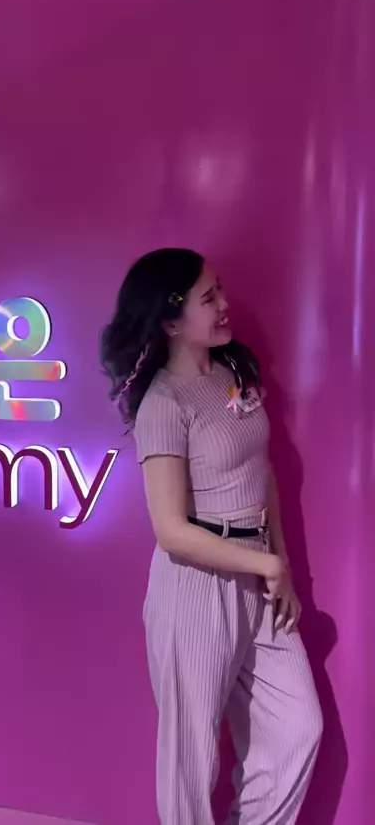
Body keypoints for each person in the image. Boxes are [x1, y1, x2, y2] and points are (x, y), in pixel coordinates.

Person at [100, 248, 323, 825]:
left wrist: (277, 561)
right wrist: (268, 567)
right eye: (209, 297)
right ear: (171, 321)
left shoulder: (233, 374)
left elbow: (262, 472)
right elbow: (171, 532)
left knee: (298, 728)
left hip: (256, 570)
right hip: (194, 587)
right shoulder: (163, 403)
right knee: (191, 759)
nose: (225, 304)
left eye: (219, 290)